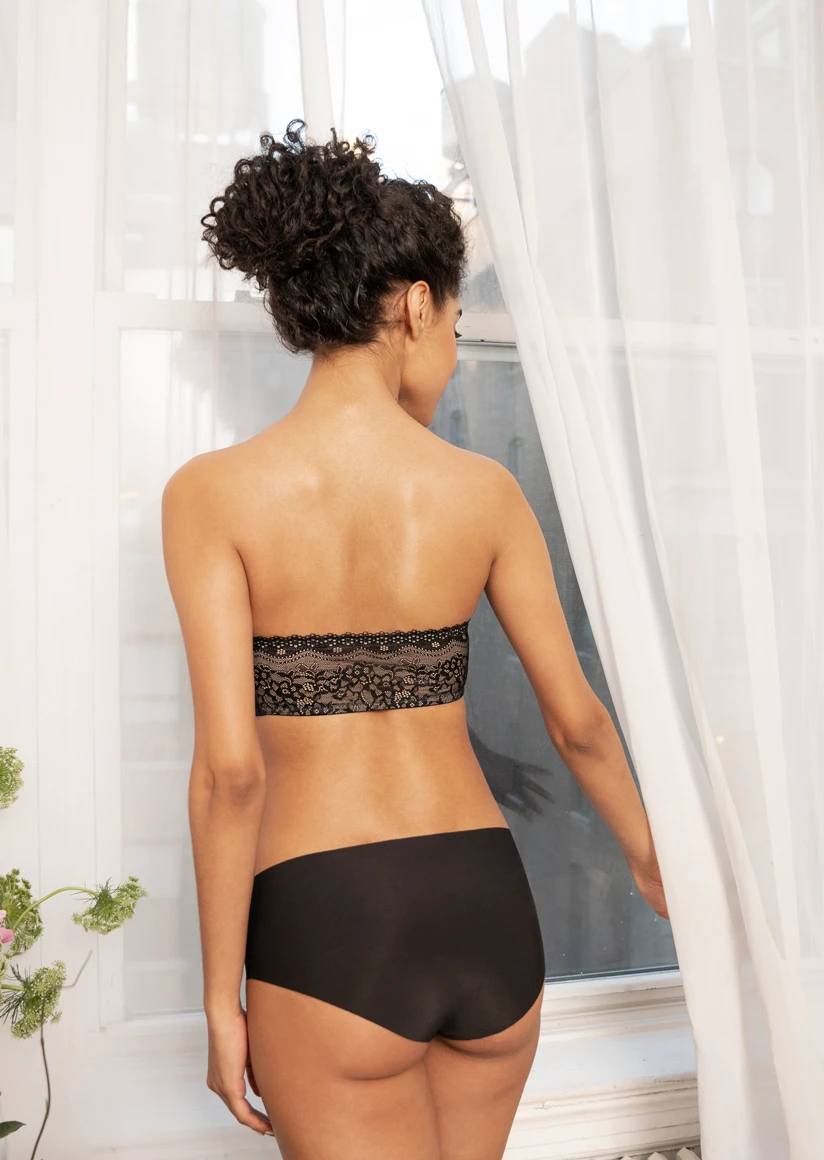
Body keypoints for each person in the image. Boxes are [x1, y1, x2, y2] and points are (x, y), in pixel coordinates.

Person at [161, 118, 668, 1160]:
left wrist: (220, 999)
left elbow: (230, 776)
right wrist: (651, 859)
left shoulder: (212, 495)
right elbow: (578, 723)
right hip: (486, 911)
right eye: (457, 322)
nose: (453, 352)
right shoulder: (482, 491)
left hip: (331, 923)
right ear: (415, 305)